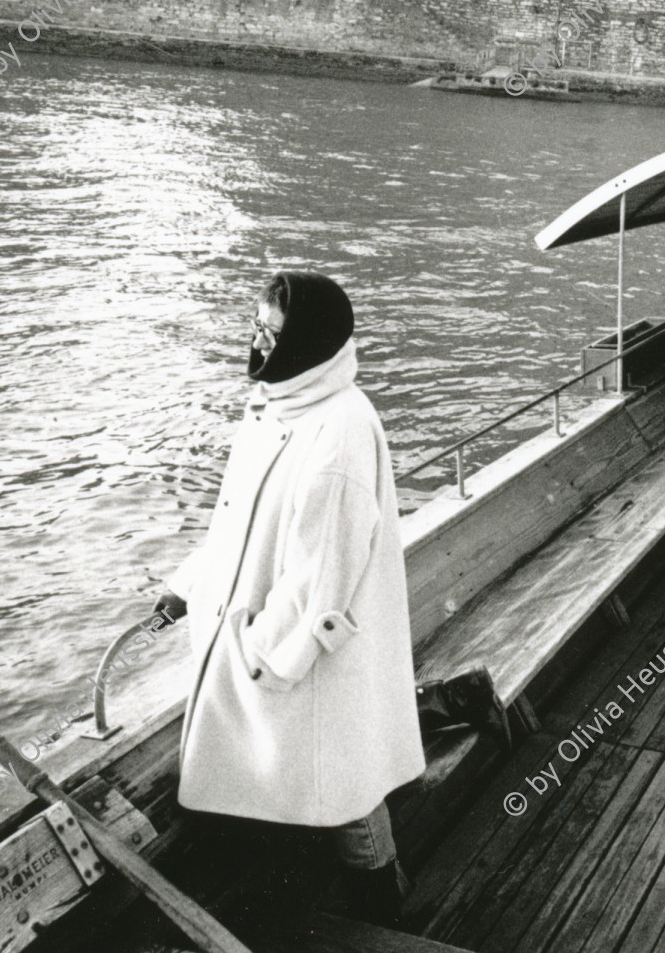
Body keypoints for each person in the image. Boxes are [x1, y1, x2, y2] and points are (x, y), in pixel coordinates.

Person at [154, 270, 425, 927]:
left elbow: (321, 576)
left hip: (294, 649)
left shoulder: (337, 433)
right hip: (252, 631)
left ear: (305, 341)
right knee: (321, 773)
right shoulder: (279, 404)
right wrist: (188, 586)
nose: (257, 341)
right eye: (255, 326)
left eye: (270, 332)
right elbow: (236, 523)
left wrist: (263, 654)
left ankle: (382, 908)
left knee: (344, 785)